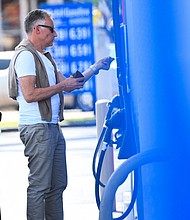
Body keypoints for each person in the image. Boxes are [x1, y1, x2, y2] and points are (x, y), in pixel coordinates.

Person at [8, 9, 114, 220]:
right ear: (37, 29)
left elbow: (68, 86)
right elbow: (29, 95)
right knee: (39, 187)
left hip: (52, 126)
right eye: (51, 29)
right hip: (37, 128)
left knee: (57, 185)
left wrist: (95, 67)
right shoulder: (26, 56)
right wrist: (62, 85)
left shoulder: (45, 58)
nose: (55, 34)